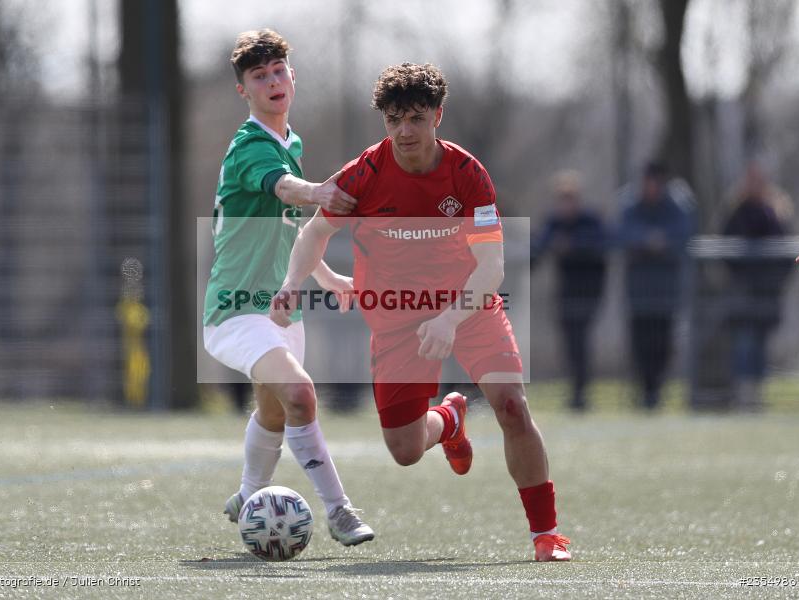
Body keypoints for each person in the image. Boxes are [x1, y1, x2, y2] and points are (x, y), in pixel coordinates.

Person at [272, 63, 571, 561]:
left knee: (513, 406)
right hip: (395, 320)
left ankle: (546, 535)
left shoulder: (467, 174)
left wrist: (450, 318)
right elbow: (314, 235)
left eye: (415, 117)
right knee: (406, 451)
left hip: (469, 307)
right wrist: (292, 284)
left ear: (437, 115)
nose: (404, 131)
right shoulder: (363, 174)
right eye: (393, 120)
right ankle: (449, 419)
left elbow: (491, 266)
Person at [202, 29, 373, 546]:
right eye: (259, 76)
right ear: (244, 91)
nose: (272, 81)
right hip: (234, 310)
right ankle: (339, 511)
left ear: (291, 77)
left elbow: (286, 227)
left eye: (278, 71)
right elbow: (282, 187)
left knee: (275, 411)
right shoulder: (251, 146)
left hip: (278, 311)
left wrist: (326, 276)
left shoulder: (288, 140)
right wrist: (318, 191)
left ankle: (247, 495)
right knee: (300, 394)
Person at [619, 161, 693, 409]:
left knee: (662, 343)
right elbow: (623, 232)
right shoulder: (631, 204)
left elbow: (684, 232)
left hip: (666, 291)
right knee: (640, 343)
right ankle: (645, 390)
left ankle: (657, 390)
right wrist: (647, 240)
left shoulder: (676, 205)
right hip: (638, 291)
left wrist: (662, 241)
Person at [532, 170, 607, 411]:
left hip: (589, 291)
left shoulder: (590, 221)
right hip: (565, 292)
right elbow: (539, 247)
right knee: (570, 343)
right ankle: (575, 392)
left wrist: (571, 247)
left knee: (581, 342)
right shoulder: (555, 222)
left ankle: (581, 393)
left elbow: (601, 244)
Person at [722, 161, 794, 410]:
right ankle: (742, 394)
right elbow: (726, 248)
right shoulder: (736, 211)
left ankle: (756, 395)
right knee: (743, 343)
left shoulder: (775, 211)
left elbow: (785, 252)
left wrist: (773, 281)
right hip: (742, 292)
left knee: (760, 346)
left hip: (766, 292)